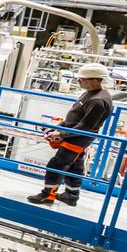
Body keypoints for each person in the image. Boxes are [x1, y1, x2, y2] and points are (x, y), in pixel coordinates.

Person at [27, 63, 114, 207]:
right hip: (73, 134)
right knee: (75, 166)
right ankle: (71, 196)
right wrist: (58, 128)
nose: (79, 81)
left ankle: (47, 195)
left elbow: (85, 127)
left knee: (56, 165)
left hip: (77, 138)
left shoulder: (98, 101)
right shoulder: (89, 93)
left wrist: (61, 134)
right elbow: (75, 117)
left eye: (82, 79)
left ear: (96, 80)